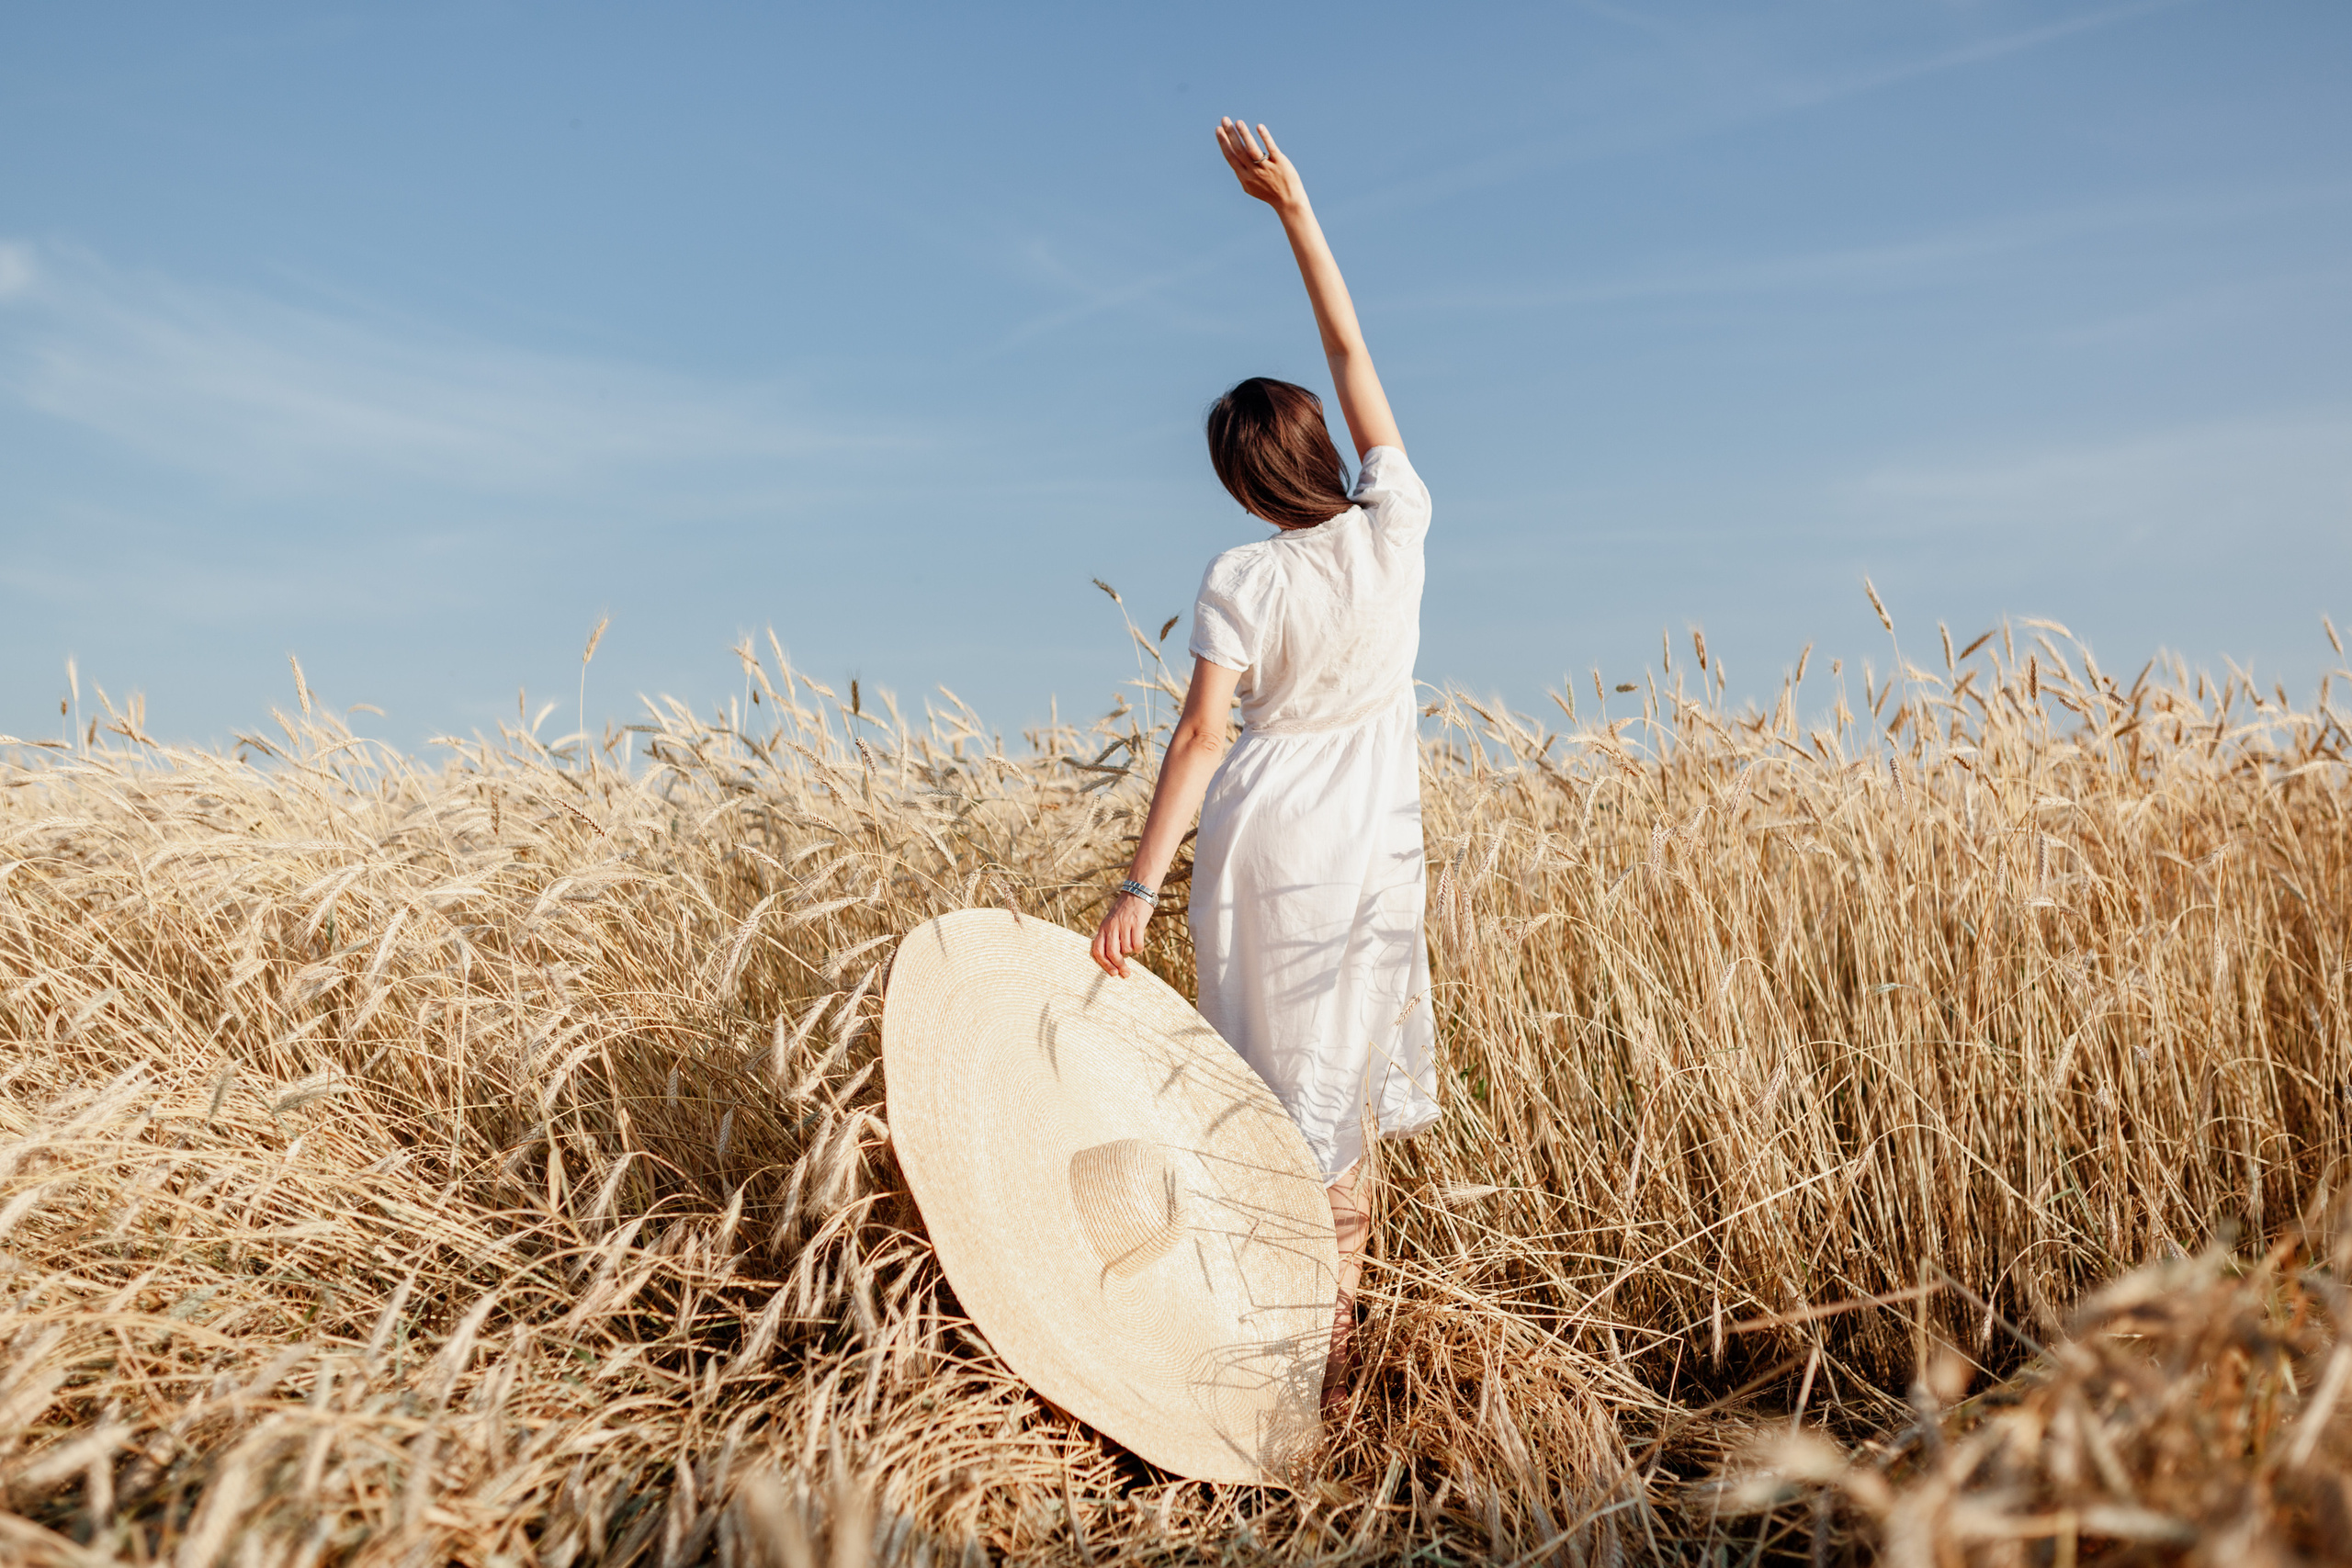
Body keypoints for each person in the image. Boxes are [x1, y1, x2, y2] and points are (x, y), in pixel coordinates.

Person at [1090, 118, 1439, 1410]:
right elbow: (1350, 349)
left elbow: (1199, 739)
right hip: (1370, 848)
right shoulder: (1398, 526)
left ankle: (1274, 1367)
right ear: (1324, 455)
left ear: (1241, 487)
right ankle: (1321, 1366)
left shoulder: (1241, 572)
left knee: (1264, 1100)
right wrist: (1295, 208)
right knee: (1334, 1105)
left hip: (1263, 839)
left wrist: (1134, 889)